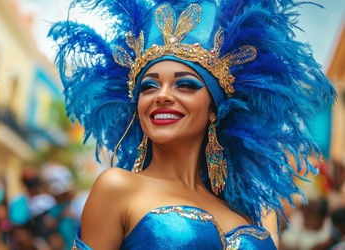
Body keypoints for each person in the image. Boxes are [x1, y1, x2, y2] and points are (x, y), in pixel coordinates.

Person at [49, 0, 336, 249]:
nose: (162, 95)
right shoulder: (118, 188)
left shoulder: (256, 212)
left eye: (185, 85)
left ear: (214, 109)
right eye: (148, 87)